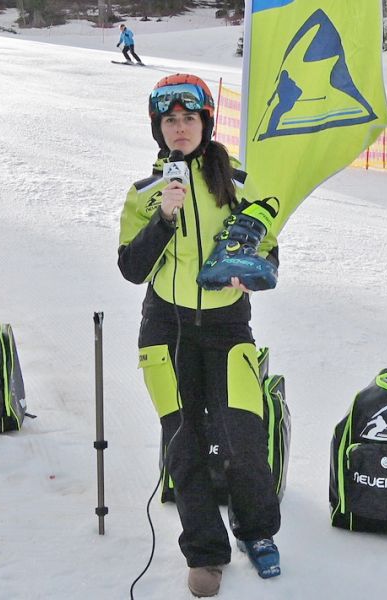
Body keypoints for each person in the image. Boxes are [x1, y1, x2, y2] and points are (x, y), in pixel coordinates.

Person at [117, 74, 282, 598]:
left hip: (228, 327)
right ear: (158, 128)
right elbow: (130, 267)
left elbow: (268, 247)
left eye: (190, 118)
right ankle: (206, 553)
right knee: (183, 443)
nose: (180, 128)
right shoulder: (145, 194)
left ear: (206, 123)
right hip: (165, 328)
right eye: (170, 120)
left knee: (244, 436)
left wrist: (251, 270)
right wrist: (164, 216)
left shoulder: (235, 179)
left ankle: (256, 532)